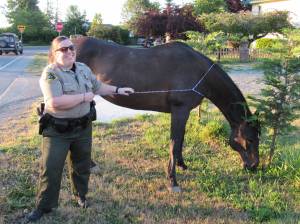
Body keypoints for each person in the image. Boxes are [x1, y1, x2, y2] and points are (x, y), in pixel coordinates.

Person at [26, 36, 134, 222]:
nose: (69, 52)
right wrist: (85, 97)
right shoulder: (50, 74)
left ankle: (80, 195)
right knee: (51, 169)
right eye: (63, 49)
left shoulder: (83, 69)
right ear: (54, 54)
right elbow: (55, 102)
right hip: (57, 131)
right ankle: (44, 206)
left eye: (71, 48)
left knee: (82, 165)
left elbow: (98, 86)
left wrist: (118, 90)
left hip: (83, 127)